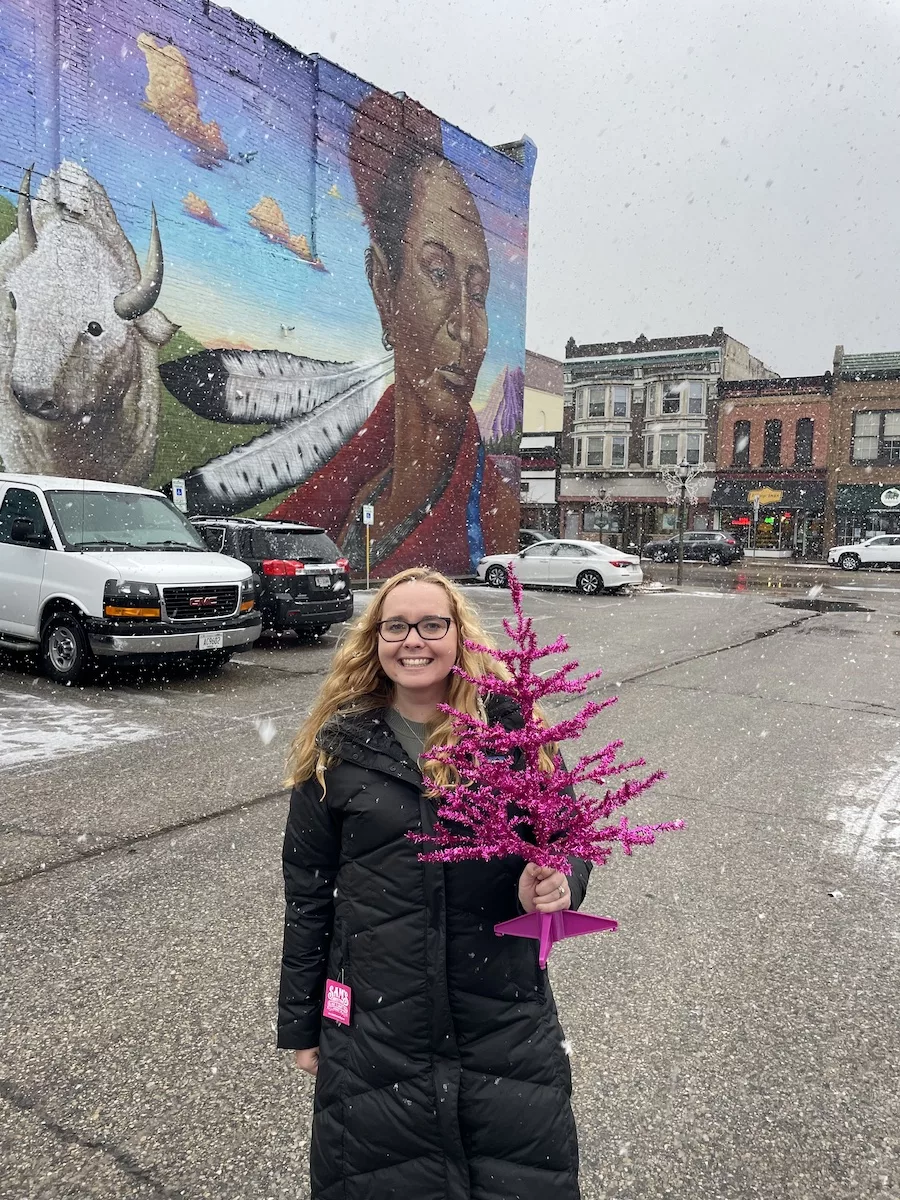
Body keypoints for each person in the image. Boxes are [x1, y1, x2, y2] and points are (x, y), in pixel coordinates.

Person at [278, 567, 590, 1199]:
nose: (412, 640)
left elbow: (566, 843)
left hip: (502, 1015)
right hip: (375, 1025)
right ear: (375, 638)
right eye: (395, 625)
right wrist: (302, 1021)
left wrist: (558, 886)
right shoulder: (336, 751)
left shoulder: (515, 736)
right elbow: (309, 895)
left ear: (458, 637)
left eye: (431, 624)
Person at [269, 92, 518, 575]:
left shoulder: (495, 513)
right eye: (438, 274)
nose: (466, 328)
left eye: (480, 293)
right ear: (385, 289)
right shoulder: (353, 491)